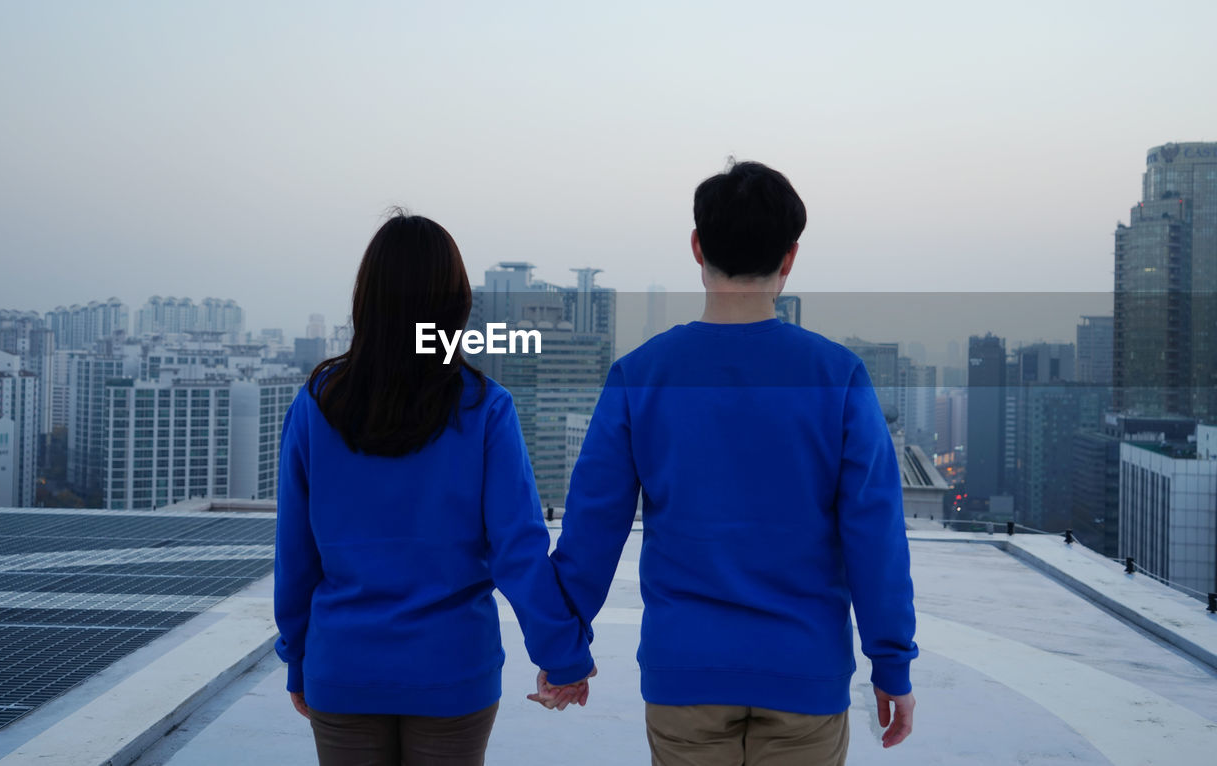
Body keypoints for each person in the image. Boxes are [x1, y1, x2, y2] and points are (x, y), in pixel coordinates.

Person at [543, 161, 918, 764]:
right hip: (806, 674)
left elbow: (592, 529)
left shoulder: (641, 375)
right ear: (789, 258)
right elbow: (874, 535)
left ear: (697, 247)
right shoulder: (837, 376)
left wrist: (563, 650)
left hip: (684, 673)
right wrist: (892, 662)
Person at [274, 212, 595, 766]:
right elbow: (517, 549)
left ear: (367, 298)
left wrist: (299, 658)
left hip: (343, 665)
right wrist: (562, 656)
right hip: (453, 670)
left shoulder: (317, 404)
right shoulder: (485, 406)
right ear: (455, 303)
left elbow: (295, 554)